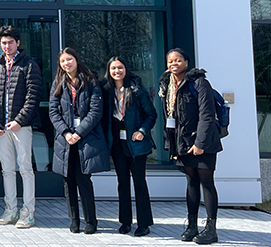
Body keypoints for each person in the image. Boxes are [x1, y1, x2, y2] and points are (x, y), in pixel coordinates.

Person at [160, 48, 222, 244]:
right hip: (183, 143)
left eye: (178, 60)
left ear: (186, 62)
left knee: (206, 182)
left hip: (203, 142)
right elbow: (170, 119)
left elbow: (207, 115)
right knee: (191, 183)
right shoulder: (168, 85)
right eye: (170, 61)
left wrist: (200, 144)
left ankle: (211, 229)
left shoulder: (199, 83)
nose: (173, 64)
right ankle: (192, 226)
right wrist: (172, 147)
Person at [0, 26, 41, 229]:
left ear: (18, 43)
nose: (6, 46)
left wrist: (20, 121)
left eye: (10, 42)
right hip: (0, 126)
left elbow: (33, 97)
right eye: (3, 43)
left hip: (20, 127)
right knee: (7, 169)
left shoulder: (29, 65)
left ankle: (28, 212)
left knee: (25, 168)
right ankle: (10, 210)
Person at [49, 47, 109, 234]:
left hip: (86, 138)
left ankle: (91, 221)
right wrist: (66, 132)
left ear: (76, 59)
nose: (67, 63)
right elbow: (53, 111)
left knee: (84, 180)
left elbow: (95, 111)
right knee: (68, 181)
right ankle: (74, 219)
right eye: (63, 61)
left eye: (69, 59)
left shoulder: (90, 81)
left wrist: (79, 133)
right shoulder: (58, 82)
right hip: (65, 140)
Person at [102, 56, 156, 237]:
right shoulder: (106, 91)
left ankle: (144, 223)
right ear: (109, 71)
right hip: (117, 143)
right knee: (122, 183)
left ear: (126, 69)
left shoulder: (137, 90)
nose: (117, 71)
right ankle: (125, 222)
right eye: (113, 68)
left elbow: (151, 114)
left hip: (136, 142)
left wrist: (142, 130)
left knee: (139, 183)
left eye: (120, 68)